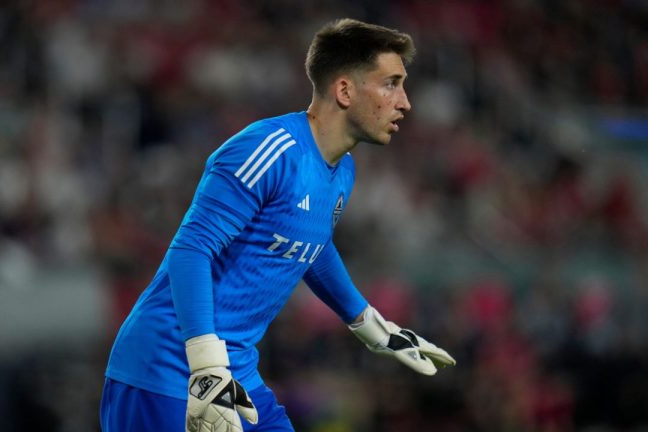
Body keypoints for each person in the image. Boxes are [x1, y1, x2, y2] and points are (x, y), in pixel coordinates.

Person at [101, 18, 456, 432]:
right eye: (391, 83)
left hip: (236, 372)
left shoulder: (342, 171)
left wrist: (369, 325)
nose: (405, 102)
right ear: (344, 90)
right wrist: (206, 365)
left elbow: (312, 244)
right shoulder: (269, 149)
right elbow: (191, 248)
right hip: (167, 370)